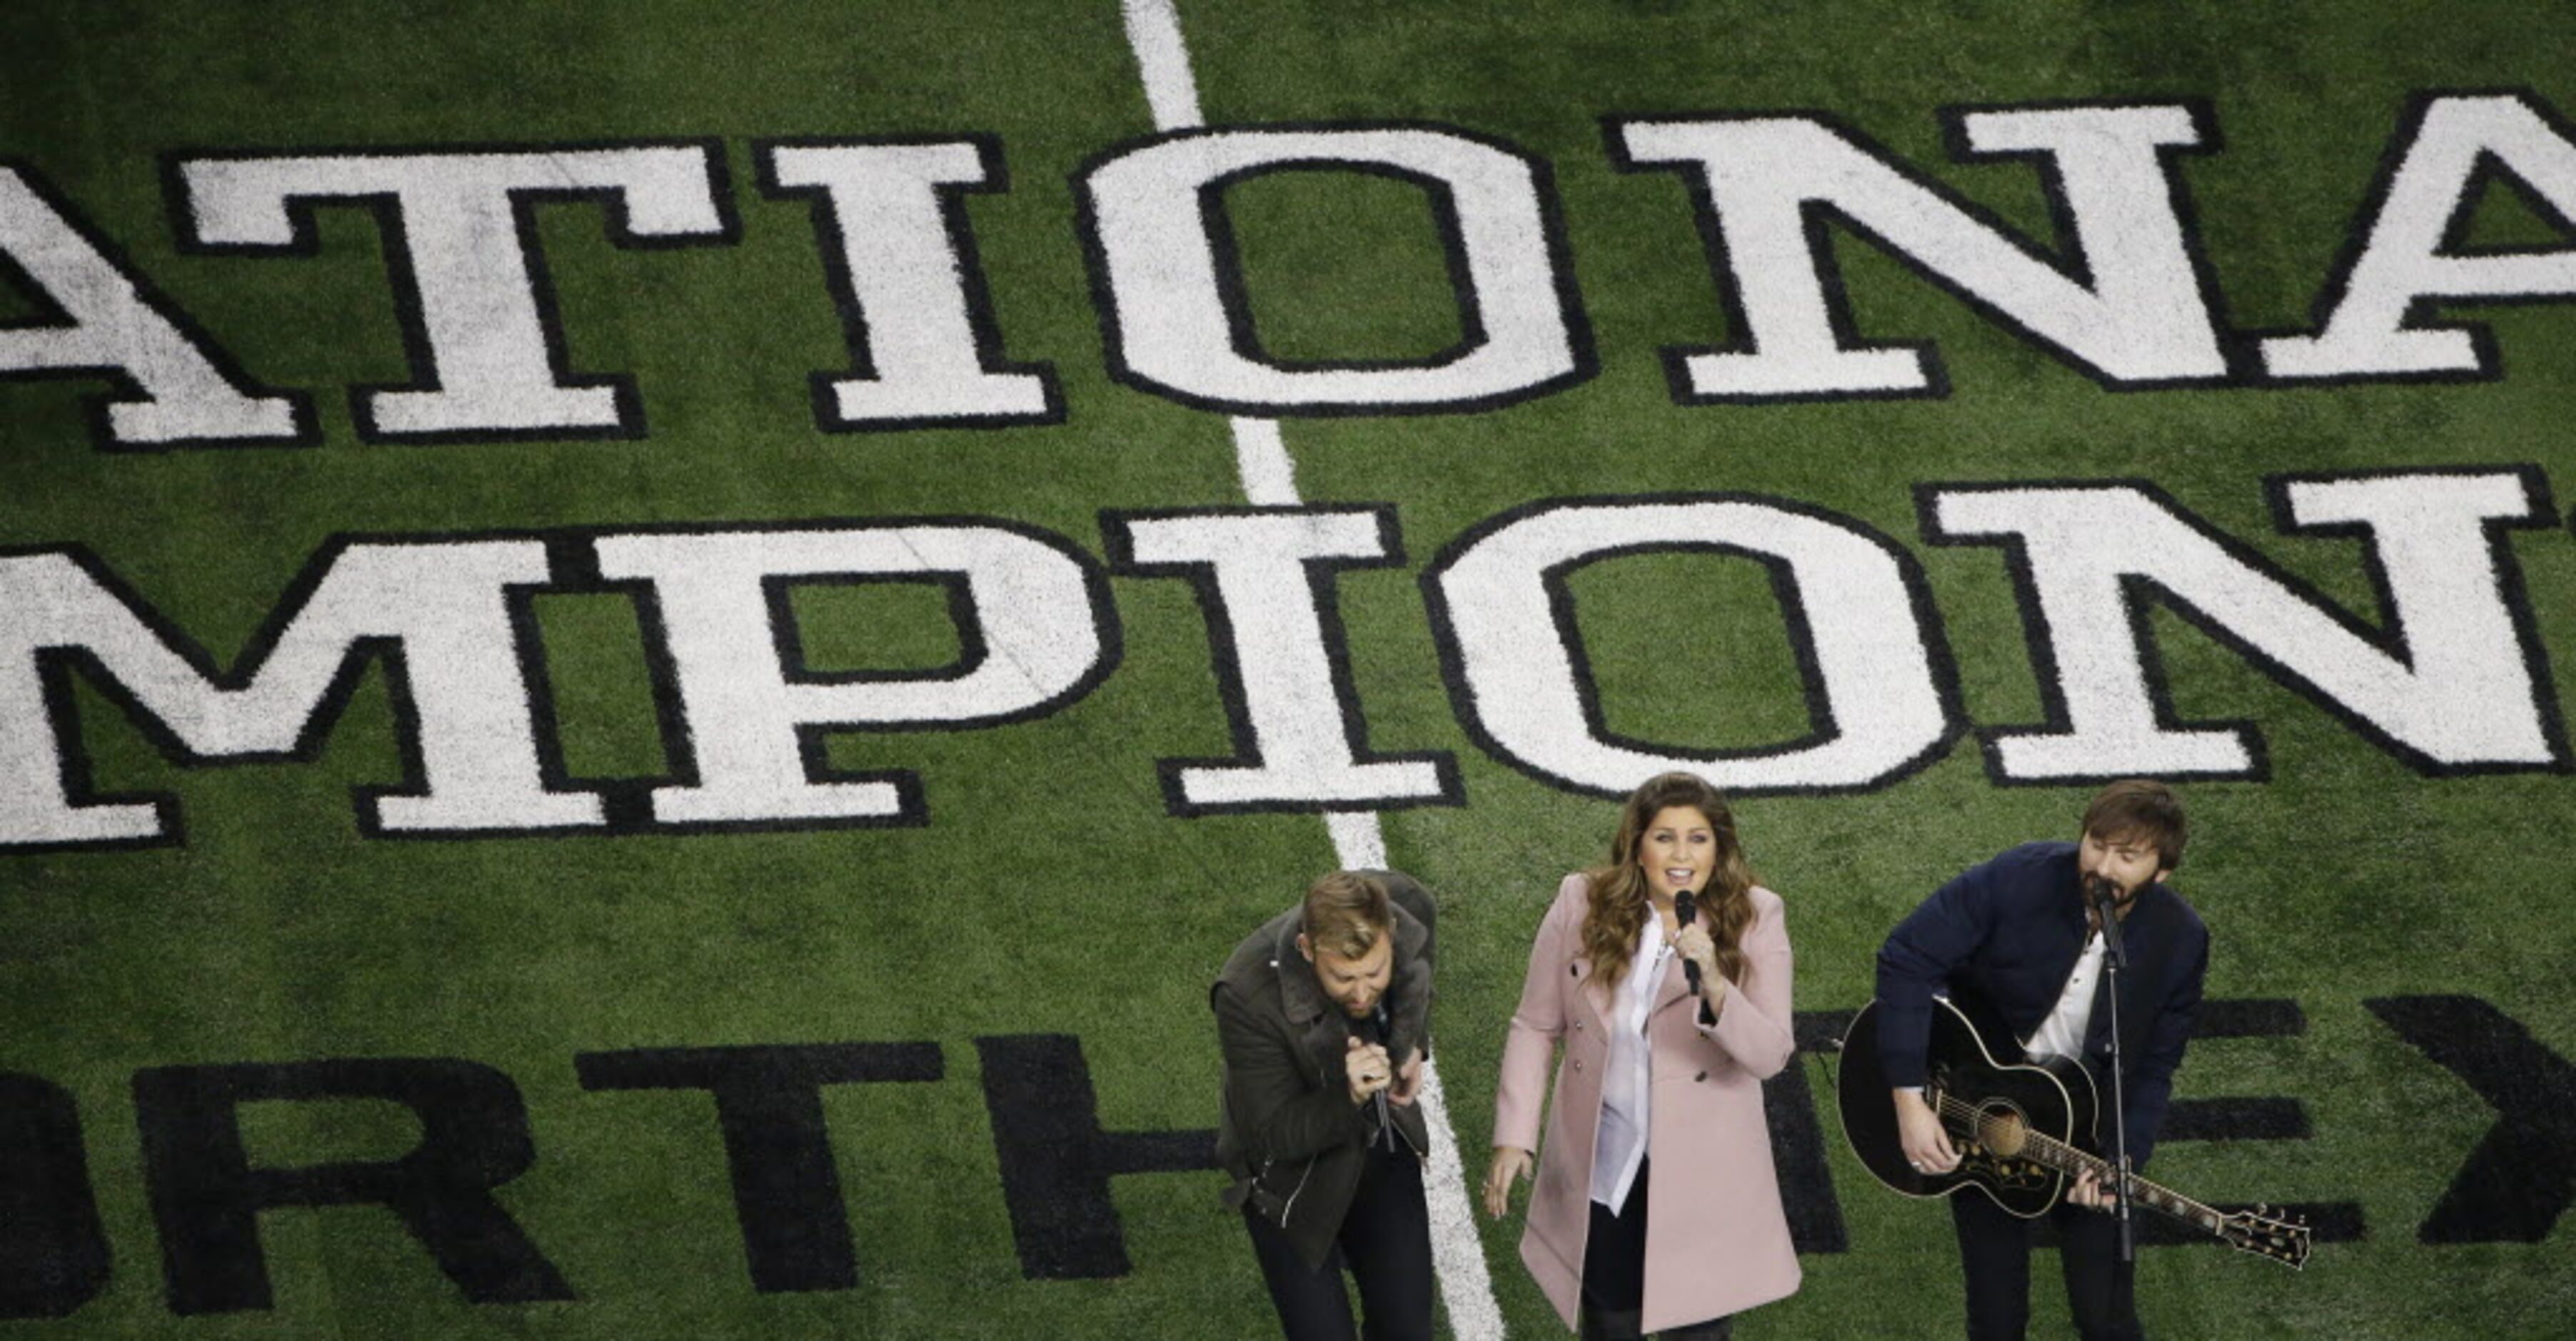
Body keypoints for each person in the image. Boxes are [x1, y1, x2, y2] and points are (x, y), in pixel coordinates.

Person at [1876, 779, 2208, 1340]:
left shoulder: (2182, 939)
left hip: (2086, 1134)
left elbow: (2155, 1064)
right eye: (2097, 845)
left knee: (2107, 1319)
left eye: (2127, 857)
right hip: (1979, 1107)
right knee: (1998, 1318)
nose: (2103, 867)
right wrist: (1909, 1099)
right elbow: (1907, 955)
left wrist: (2122, 1161)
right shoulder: (2018, 877)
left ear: (2162, 871)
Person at [1484, 771, 1801, 1339]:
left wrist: (1715, 982)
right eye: (1664, 837)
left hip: (1703, 1175)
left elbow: (1771, 1054)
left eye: (1698, 838)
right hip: (1609, 1163)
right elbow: (1535, 1023)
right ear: (1637, 844)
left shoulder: (1756, 915)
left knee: (1695, 1332)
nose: (1682, 855)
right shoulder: (1580, 900)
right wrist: (1514, 1135)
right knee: (1608, 1324)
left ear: (1719, 847)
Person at [1214, 869, 1437, 1341]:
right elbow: (1275, 1133)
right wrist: (1350, 1095)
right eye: (1343, 978)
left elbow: (1422, 913)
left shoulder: (1402, 907)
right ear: (1307, 949)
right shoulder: (1243, 995)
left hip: (1378, 1152)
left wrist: (1413, 1038)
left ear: (1390, 935)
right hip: (1288, 1185)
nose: (1360, 993)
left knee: (1408, 1331)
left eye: (1375, 973)